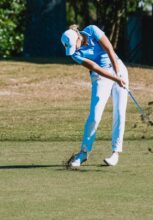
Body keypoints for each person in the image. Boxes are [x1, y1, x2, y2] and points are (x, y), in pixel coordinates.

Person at [60, 24, 129, 167]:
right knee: (95, 115)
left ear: (78, 37)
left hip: (117, 67)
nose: (76, 49)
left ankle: (115, 153)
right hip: (100, 76)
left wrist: (118, 74)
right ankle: (83, 153)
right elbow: (95, 67)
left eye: (75, 45)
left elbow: (110, 50)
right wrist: (115, 79)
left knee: (120, 112)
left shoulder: (92, 30)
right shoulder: (75, 54)